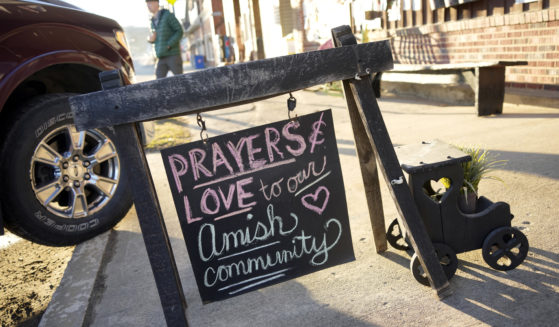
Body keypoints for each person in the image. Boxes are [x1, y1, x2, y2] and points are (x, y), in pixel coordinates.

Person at [146, 0, 183, 79]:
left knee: (181, 80)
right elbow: (156, 38)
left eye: (150, 3)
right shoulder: (152, 21)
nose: (148, 5)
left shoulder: (167, 15)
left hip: (173, 55)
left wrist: (169, 45)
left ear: (156, 3)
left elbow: (179, 31)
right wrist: (150, 40)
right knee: (158, 82)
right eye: (147, 3)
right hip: (160, 56)